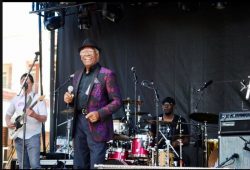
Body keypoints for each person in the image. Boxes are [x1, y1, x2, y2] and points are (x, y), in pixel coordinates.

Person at [64, 38, 122, 169]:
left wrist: (99, 114)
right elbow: (76, 101)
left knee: (95, 165)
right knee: (79, 164)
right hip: (78, 122)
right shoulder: (77, 75)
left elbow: (117, 101)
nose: (86, 56)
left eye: (89, 53)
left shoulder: (106, 74)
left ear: (97, 55)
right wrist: (70, 100)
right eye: (83, 54)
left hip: (97, 125)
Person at [5, 73, 47, 169]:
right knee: (23, 166)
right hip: (18, 137)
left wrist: (34, 115)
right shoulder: (16, 99)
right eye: (23, 79)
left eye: (27, 80)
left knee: (35, 165)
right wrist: (8, 122)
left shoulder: (38, 99)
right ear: (21, 83)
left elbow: (44, 118)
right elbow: (8, 115)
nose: (25, 81)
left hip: (33, 136)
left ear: (32, 83)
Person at [150, 96, 190, 166]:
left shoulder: (180, 120)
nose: (166, 106)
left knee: (186, 160)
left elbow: (186, 139)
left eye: (169, 105)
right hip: (158, 151)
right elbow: (151, 135)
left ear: (174, 106)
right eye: (164, 105)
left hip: (175, 152)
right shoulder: (156, 119)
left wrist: (177, 143)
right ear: (162, 106)